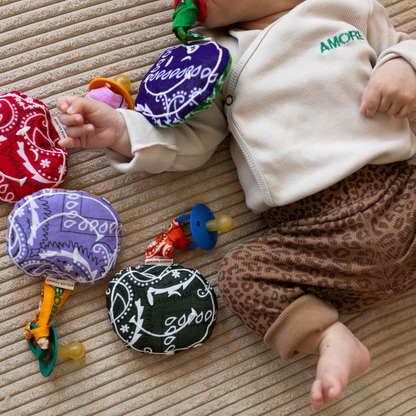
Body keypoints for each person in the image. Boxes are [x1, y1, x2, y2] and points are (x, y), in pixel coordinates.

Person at [57, 0, 416, 410]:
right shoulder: (214, 60)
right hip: (311, 234)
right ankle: (330, 338)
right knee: (238, 274)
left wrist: (402, 65)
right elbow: (188, 142)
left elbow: (403, 45)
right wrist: (122, 130)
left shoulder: (345, 9)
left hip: (396, 187)